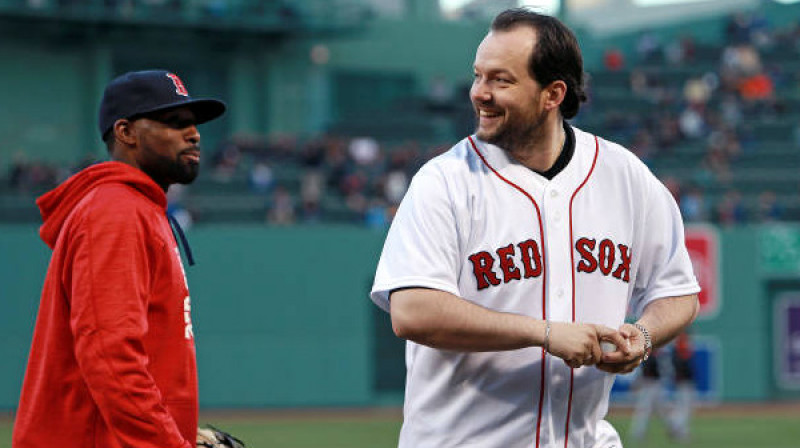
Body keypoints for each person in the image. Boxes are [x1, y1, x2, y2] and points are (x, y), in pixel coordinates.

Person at [370, 8, 700, 448]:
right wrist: (544, 332)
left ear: (552, 94)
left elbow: (677, 291)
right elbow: (412, 311)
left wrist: (641, 336)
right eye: (477, 76)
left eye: (501, 80)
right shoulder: (444, 182)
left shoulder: (625, 176)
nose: (479, 94)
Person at [13, 70, 226, 448]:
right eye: (174, 123)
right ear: (125, 132)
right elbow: (111, 359)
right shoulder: (116, 212)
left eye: (194, 124)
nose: (193, 134)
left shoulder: (137, 210)